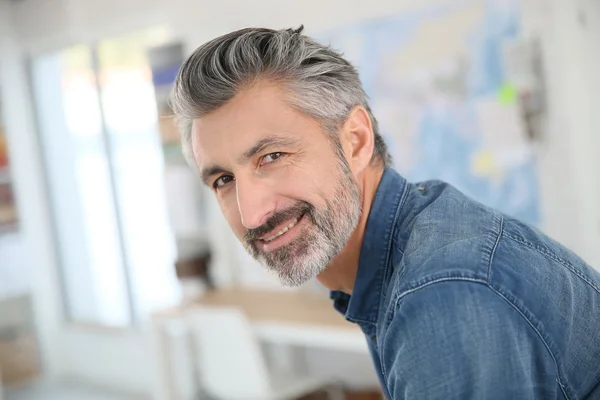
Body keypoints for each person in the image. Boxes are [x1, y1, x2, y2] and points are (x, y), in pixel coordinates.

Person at [170, 26, 600, 399]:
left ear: (356, 141)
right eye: (223, 180)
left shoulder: (441, 293)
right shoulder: (418, 240)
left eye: (272, 156)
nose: (250, 215)